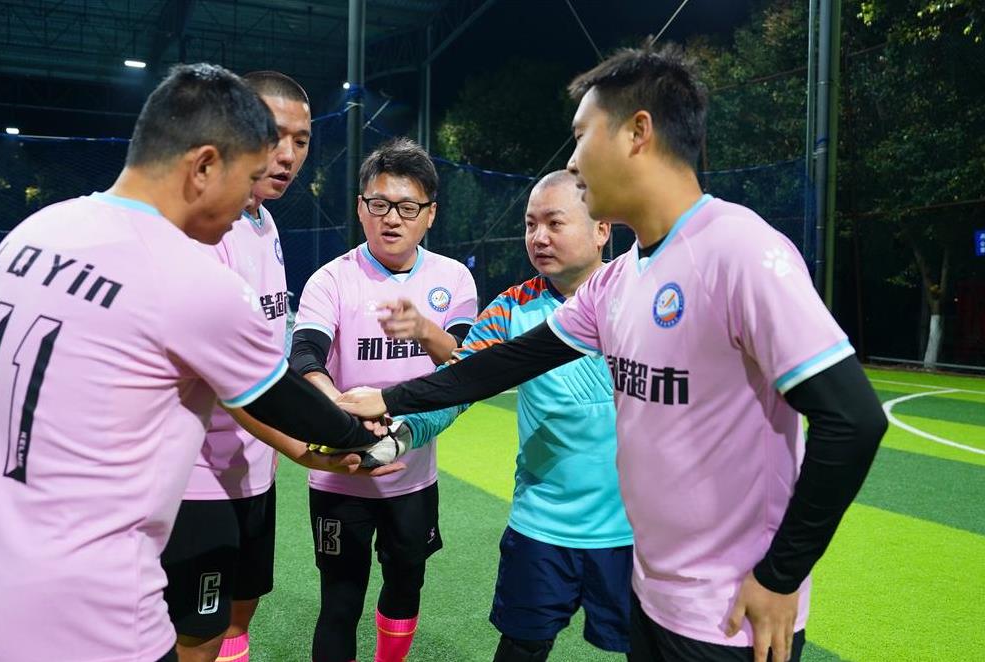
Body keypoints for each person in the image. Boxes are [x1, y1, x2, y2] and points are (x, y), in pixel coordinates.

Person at [337, 44, 888, 662]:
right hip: (653, 594)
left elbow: (853, 420)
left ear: (637, 133)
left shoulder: (741, 251)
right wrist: (389, 401)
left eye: (581, 136)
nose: (573, 160)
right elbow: (502, 363)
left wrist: (782, 575)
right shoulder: (619, 280)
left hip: (732, 615)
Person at [0, 63, 402, 662]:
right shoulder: (185, 276)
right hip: (80, 615)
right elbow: (281, 398)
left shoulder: (31, 234)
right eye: (246, 177)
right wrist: (365, 436)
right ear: (204, 166)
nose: (242, 207)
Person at [400, 170, 632, 661]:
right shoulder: (512, 307)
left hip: (638, 532)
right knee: (521, 649)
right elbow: (459, 382)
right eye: (530, 224)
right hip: (542, 527)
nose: (538, 237)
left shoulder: (641, 297)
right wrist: (399, 434)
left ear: (601, 229)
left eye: (554, 223)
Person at [161, 70, 345, 662]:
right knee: (195, 635)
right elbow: (225, 380)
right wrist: (305, 440)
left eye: (301, 140)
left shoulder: (263, 221)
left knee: (241, 609)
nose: (287, 155)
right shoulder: (201, 231)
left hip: (252, 465)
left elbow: (265, 349)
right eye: (272, 134)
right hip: (197, 477)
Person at [290, 137, 478, 662]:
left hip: (413, 477)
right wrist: (340, 410)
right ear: (360, 208)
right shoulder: (331, 279)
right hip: (341, 473)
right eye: (379, 204)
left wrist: (423, 330)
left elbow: (465, 365)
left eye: (407, 207)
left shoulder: (453, 279)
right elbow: (305, 355)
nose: (391, 218)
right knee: (339, 600)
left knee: (404, 587)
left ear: (430, 214)